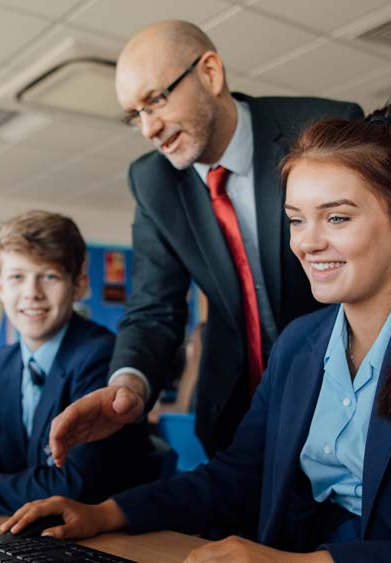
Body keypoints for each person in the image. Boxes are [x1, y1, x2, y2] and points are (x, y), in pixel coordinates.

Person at [1, 96, 391, 562]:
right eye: (297, 219)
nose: (307, 241)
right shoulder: (301, 342)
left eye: (337, 217)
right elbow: (236, 477)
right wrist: (106, 513)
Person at [49, 20, 363, 463]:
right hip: (237, 415)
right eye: (134, 115)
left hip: (343, 403)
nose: (148, 129)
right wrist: (128, 385)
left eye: (156, 101)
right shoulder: (153, 180)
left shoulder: (321, 129)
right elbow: (154, 308)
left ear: (211, 74)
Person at [0, 211, 156, 515]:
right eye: (17, 277)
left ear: (78, 285)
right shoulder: (2, 364)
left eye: (49, 276)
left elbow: (73, 483)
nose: (32, 293)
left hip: (110, 539)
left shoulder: (101, 356)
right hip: (34, 534)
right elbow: (0, 454)